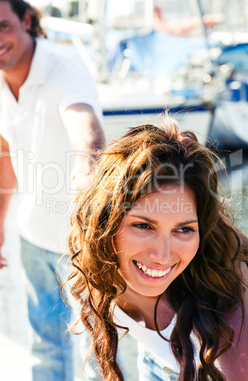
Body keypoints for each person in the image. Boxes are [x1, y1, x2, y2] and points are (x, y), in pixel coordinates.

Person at [0, 0, 105, 380]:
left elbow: (86, 129)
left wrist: (87, 170)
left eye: (3, 26)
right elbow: (4, 155)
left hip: (80, 241)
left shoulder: (63, 68)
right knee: (44, 347)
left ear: (27, 21)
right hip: (32, 236)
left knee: (97, 350)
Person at [66, 116, 248, 381]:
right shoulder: (91, 260)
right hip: (161, 358)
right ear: (104, 221)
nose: (162, 255)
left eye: (184, 229)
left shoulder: (224, 296)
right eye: (143, 226)